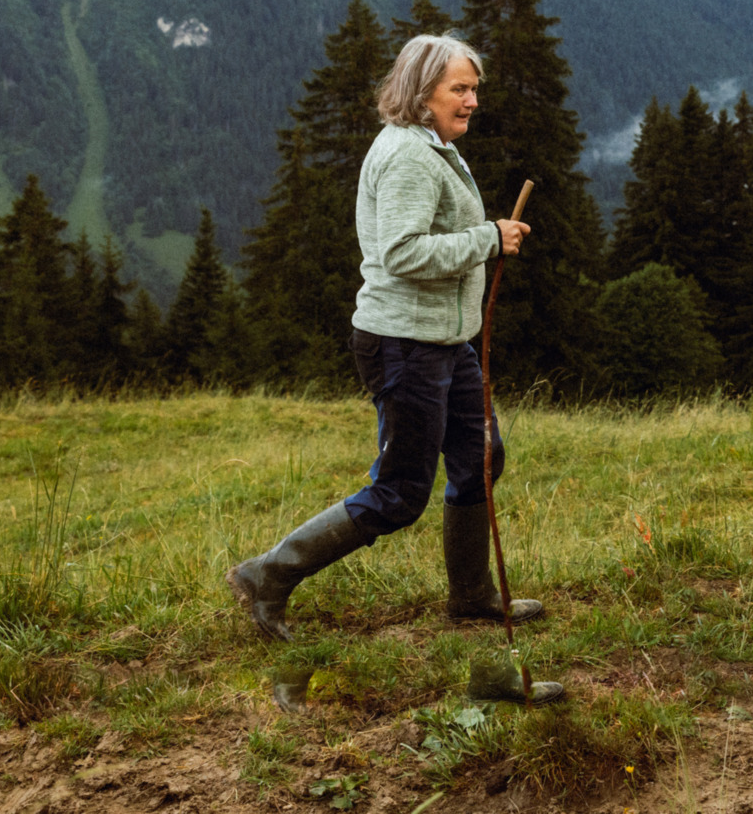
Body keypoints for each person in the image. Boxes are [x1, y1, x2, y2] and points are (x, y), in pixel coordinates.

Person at [227, 34, 554, 695]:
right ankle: (266, 574)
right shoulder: (409, 157)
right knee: (401, 492)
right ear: (421, 90)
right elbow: (404, 253)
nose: (472, 99)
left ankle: (470, 597)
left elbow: (429, 239)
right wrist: (489, 238)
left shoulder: (432, 146)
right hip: (405, 344)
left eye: (474, 88)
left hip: (444, 341)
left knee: (480, 457)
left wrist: (482, 237)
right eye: (459, 88)